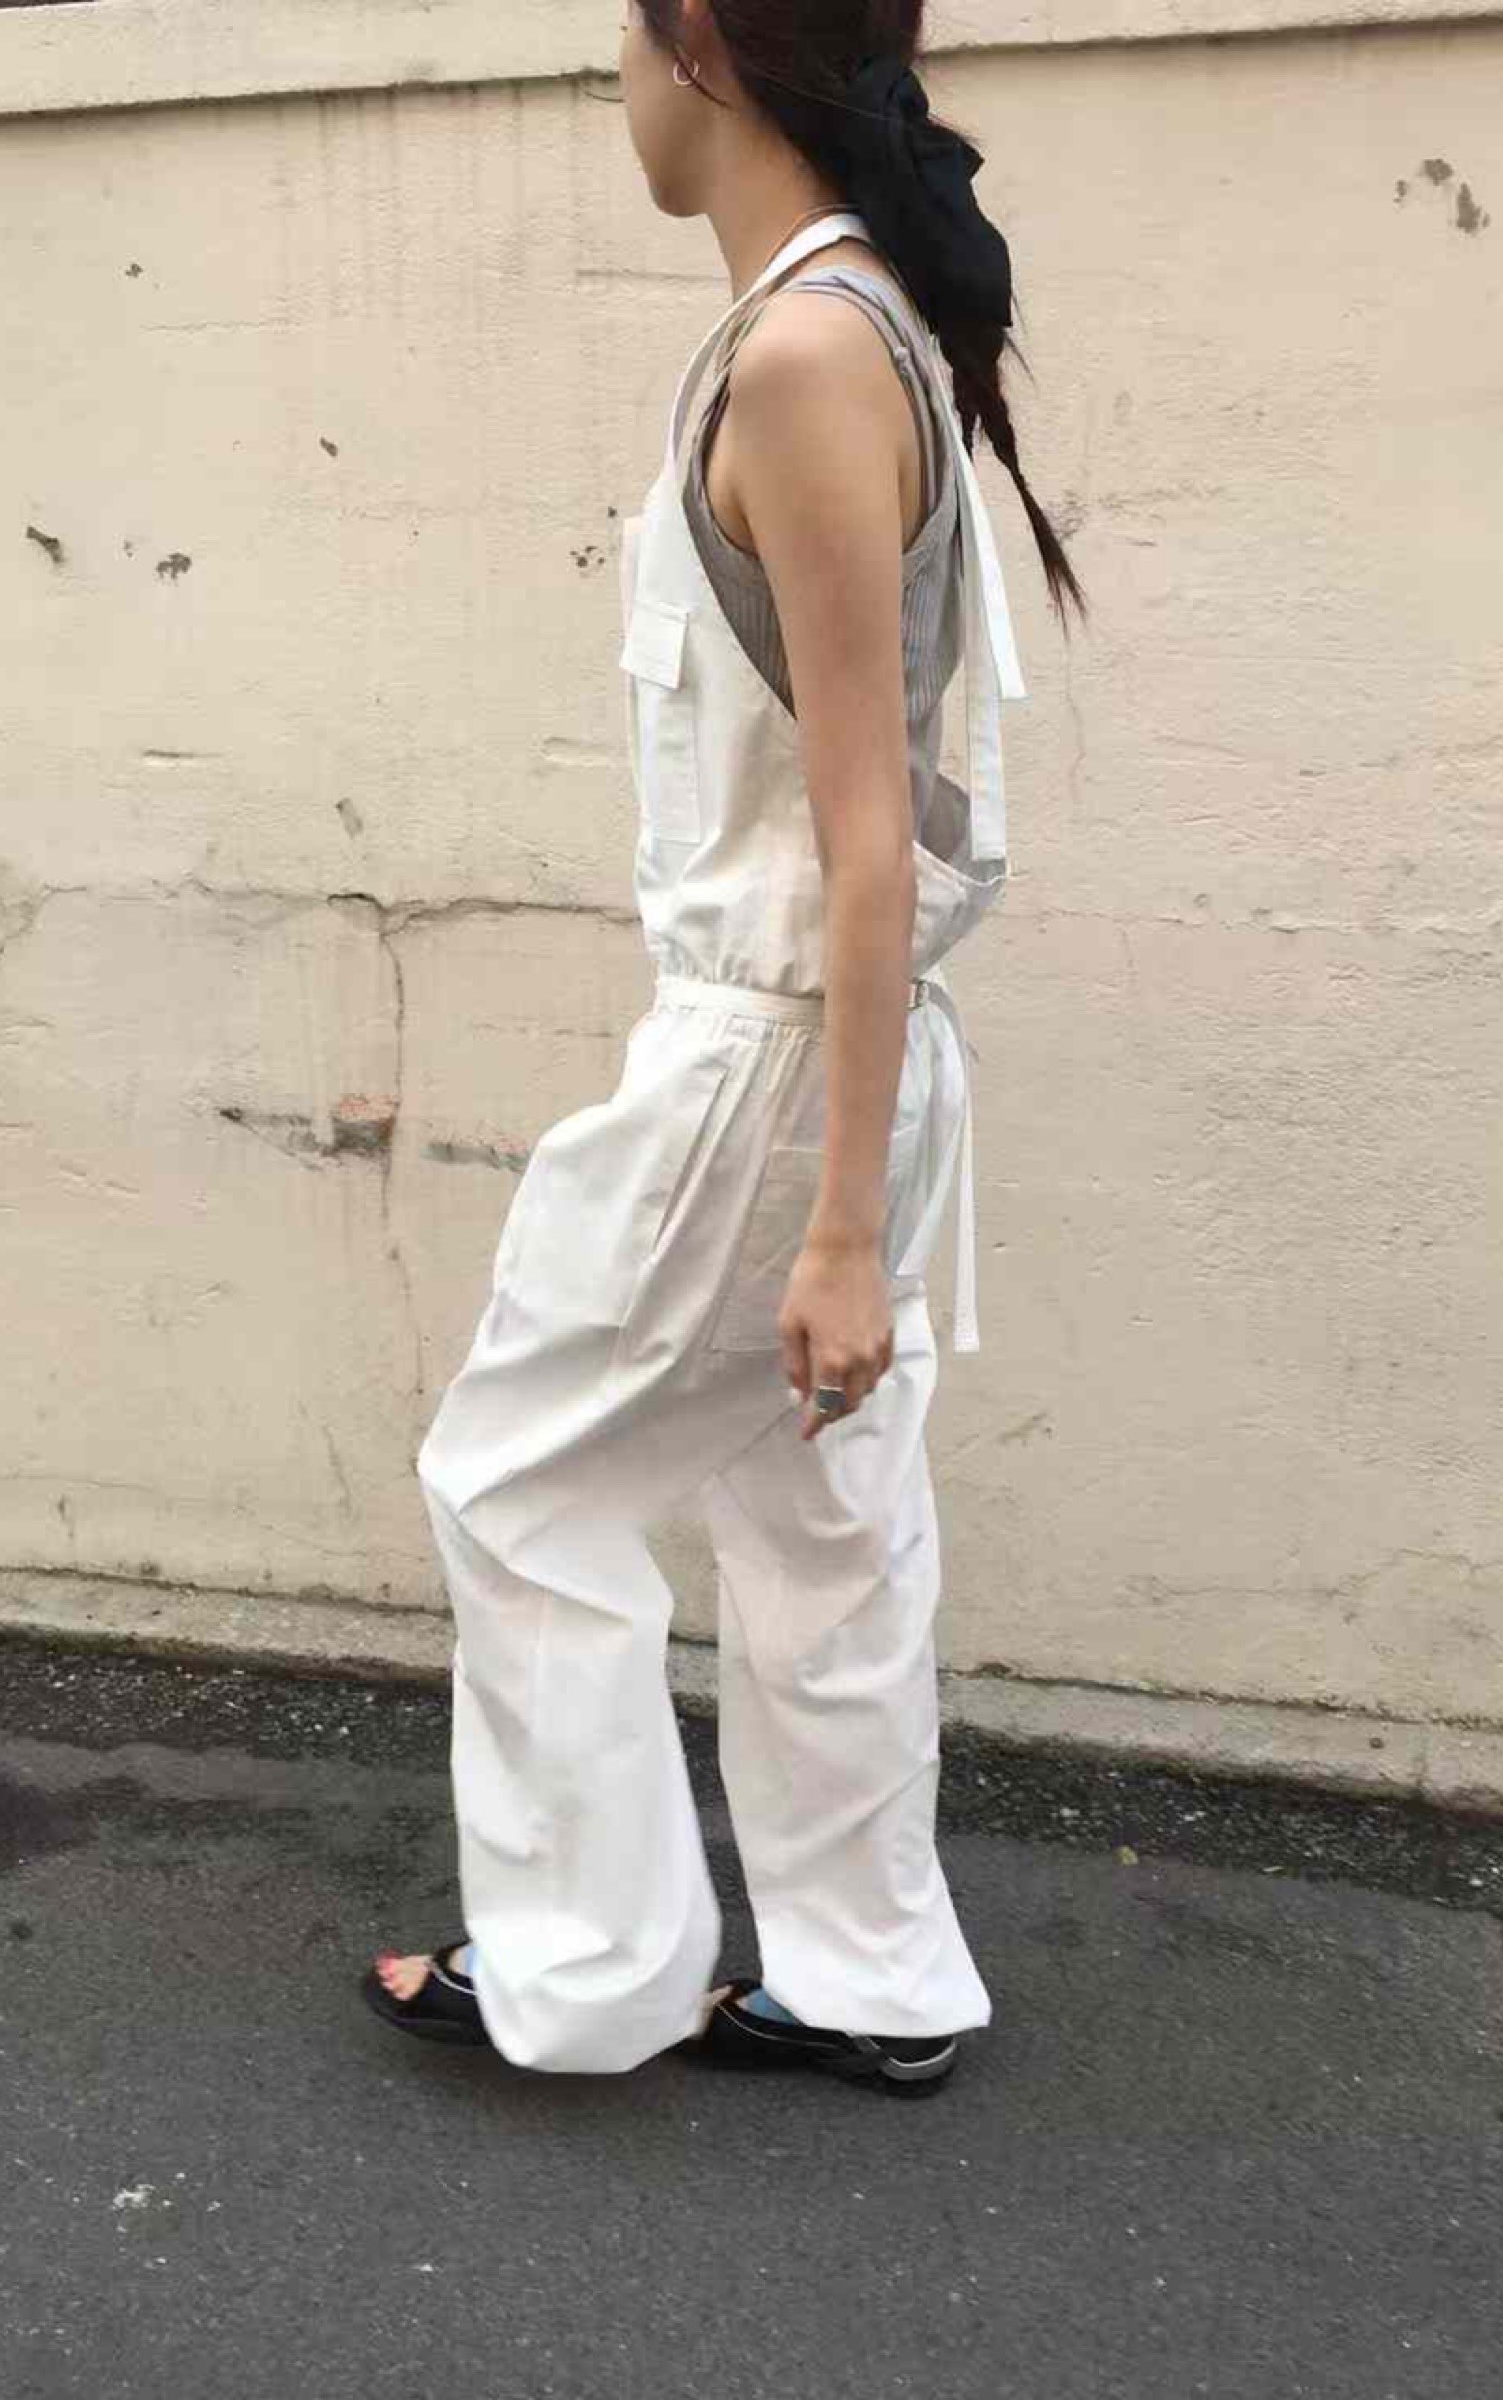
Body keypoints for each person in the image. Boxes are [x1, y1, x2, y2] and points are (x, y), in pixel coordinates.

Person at [360, 0, 1083, 2095]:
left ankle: (588, 1965)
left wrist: (841, 1227)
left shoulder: (801, 355)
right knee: (817, 1511)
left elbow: (864, 840)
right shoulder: (853, 325)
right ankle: (873, 1976)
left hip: (773, 1055)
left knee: (515, 1482)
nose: (613, 81)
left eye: (623, 31)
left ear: (699, 44)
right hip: (840, 1050)